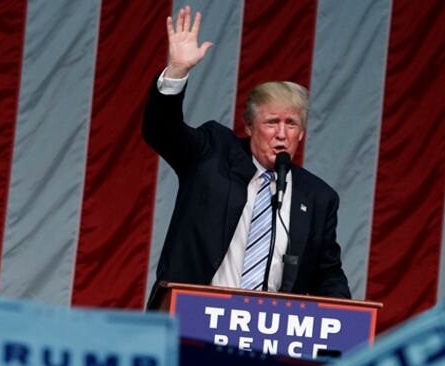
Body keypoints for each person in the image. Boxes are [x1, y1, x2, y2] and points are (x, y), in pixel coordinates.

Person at [143, 6, 350, 306]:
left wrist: (344, 321)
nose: (281, 133)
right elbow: (161, 131)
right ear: (249, 126)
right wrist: (177, 72)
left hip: (269, 338)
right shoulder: (213, 154)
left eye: (291, 124)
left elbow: (328, 276)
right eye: (271, 122)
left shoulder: (317, 197)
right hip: (192, 321)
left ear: (301, 133)